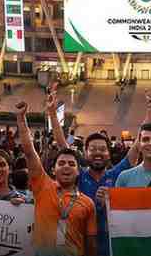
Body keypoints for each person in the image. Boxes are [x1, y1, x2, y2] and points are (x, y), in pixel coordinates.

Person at [52, 92, 146, 256]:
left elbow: (137, 148)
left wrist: (150, 114)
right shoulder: (78, 175)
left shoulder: (116, 174)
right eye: (93, 149)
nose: (98, 153)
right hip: (79, 248)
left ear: (109, 154)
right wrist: (52, 113)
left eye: (102, 149)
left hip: (110, 249)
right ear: (85, 153)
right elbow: (62, 146)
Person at [15, 101, 97, 256]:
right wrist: (21, 119)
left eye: (71, 164)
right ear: (53, 169)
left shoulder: (88, 204)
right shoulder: (42, 185)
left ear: (78, 171)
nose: (66, 166)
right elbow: (29, 152)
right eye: (62, 163)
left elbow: (91, 244)